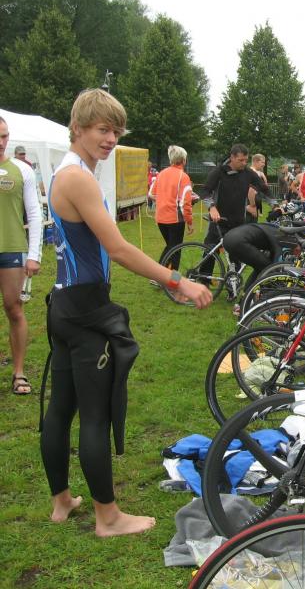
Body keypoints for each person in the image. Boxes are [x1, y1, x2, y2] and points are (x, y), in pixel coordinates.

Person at [41, 89, 211, 537]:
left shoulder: (67, 171)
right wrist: (177, 280)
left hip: (65, 304)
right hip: (85, 311)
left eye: (116, 130)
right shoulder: (77, 178)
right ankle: (108, 517)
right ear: (78, 128)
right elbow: (116, 248)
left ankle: (62, 501)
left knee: (60, 407)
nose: (111, 138)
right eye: (103, 129)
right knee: (94, 414)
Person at [0, 117, 42, 395]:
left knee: (14, 309)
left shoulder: (22, 170)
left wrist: (34, 254)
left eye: (4, 136)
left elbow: (35, 213)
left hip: (12, 248)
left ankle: (18, 372)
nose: (1, 142)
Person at [201, 144, 268, 277]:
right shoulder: (219, 171)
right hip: (218, 220)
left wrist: (276, 205)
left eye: (246, 160)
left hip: (237, 221)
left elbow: (263, 188)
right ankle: (203, 278)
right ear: (232, 157)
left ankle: (233, 281)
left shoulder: (248, 173)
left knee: (236, 252)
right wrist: (212, 207)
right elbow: (205, 191)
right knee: (211, 250)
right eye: (240, 160)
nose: (244, 163)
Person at [148, 145, 193, 270]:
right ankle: (170, 279)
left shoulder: (161, 174)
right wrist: (189, 222)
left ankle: (158, 274)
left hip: (161, 218)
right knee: (175, 250)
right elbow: (185, 203)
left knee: (171, 247)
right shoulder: (183, 176)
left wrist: (164, 198)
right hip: (175, 219)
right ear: (184, 160)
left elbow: (151, 194)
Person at [222, 222, 282, 292]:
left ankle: (246, 294)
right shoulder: (281, 237)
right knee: (268, 269)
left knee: (260, 267)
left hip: (229, 238)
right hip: (239, 242)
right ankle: (259, 294)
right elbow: (277, 260)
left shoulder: (271, 228)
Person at [248, 154, 268, 223]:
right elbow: (250, 190)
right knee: (250, 225)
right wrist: (252, 206)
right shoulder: (251, 173)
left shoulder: (258, 173)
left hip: (255, 201)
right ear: (256, 161)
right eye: (262, 162)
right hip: (251, 202)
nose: (264, 165)